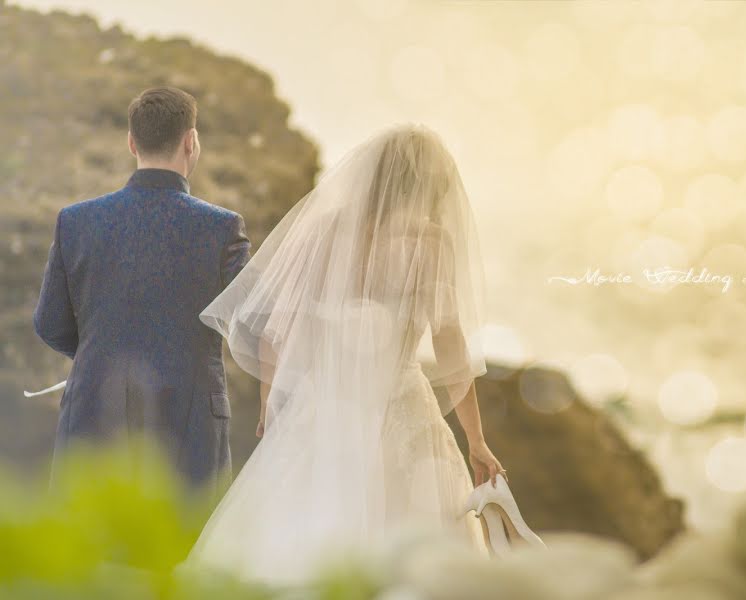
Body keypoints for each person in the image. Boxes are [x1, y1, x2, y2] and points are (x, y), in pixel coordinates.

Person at [186, 123, 503, 584]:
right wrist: (475, 438)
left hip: (323, 405)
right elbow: (449, 338)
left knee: (298, 523)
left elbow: (280, 327)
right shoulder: (432, 242)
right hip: (402, 401)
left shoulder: (329, 229)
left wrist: (270, 401)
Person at [32, 86, 251, 495]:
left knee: (87, 546)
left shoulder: (75, 222)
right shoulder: (223, 228)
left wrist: (104, 354)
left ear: (131, 142)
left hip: (93, 414)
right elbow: (251, 324)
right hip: (192, 425)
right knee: (182, 550)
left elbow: (49, 324)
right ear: (191, 142)